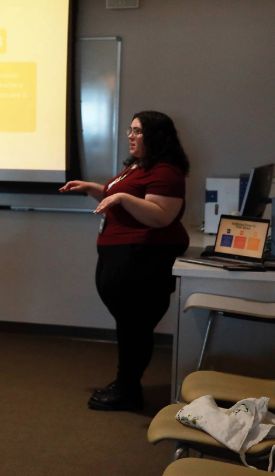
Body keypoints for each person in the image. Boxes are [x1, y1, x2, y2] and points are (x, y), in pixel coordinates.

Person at [61, 111, 190, 411]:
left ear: (156, 136)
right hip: (120, 257)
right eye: (130, 130)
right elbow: (120, 202)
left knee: (135, 328)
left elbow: (160, 216)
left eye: (138, 131)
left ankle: (128, 389)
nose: (130, 136)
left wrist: (121, 199)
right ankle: (126, 384)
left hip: (143, 261)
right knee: (130, 326)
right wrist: (93, 189)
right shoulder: (136, 167)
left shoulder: (166, 172)